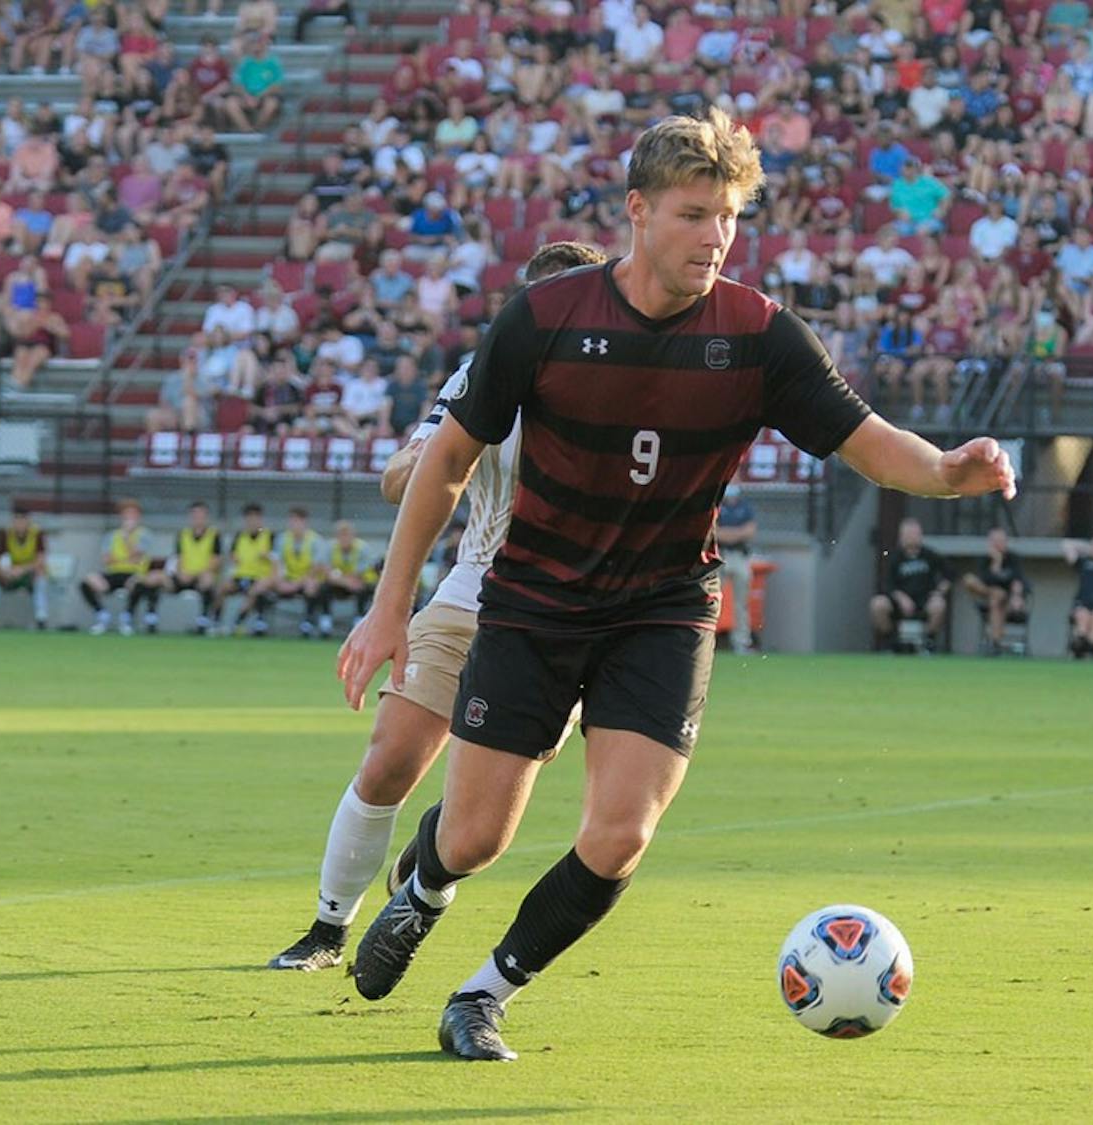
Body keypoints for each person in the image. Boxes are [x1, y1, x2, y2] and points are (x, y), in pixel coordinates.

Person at [335, 110, 1013, 1062]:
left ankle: (484, 994)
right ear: (638, 212)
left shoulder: (760, 335)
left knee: (620, 832)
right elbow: (447, 462)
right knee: (478, 833)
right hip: (532, 598)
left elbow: (869, 442)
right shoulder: (545, 317)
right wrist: (388, 607)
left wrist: (947, 470)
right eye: (695, 214)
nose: (716, 237)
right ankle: (426, 886)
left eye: (729, 217)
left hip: (663, 606)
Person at [267, 242, 607, 973]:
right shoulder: (484, 376)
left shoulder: (622, 385)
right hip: (469, 593)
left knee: (476, 831)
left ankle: (423, 867)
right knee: (390, 755)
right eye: (535, 302)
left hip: (560, 616)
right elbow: (399, 475)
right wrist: (435, 459)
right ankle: (327, 931)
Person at [135, 500, 221, 634]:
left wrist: (197, 573)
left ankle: (203, 620)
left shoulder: (214, 534)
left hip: (200, 577)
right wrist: (180, 572)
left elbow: (216, 561)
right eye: (195, 515)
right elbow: (177, 557)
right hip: (182, 575)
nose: (198, 518)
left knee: (208, 580)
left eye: (201, 515)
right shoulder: (183, 534)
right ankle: (151, 618)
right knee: (154, 578)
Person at [869, 517, 953, 652]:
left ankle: (928, 642)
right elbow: (887, 584)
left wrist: (939, 591)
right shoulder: (894, 557)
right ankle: (891, 642)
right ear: (901, 537)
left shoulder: (930, 555)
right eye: (907, 534)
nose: (911, 538)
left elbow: (950, 574)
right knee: (877, 604)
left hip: (924, 601)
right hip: (899, 603)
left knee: (939, 605)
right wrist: (901, 597)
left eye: (915, 534)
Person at [79, 499, 151, 635]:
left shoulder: (144, 534)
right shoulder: (111, 535)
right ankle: (102, 614)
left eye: (133, 515)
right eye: (127, 514)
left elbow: (137, 556)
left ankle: (127, 617)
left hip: (134, 573)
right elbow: (107, 560)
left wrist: (127, 539)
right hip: (114, 573)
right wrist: (127, 557)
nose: (130, 518)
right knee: (87, 582)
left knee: (139, 584)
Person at [212, 503, 276, 636]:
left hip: (259, 577)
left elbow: (277, 559)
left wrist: (267, 557)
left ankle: (238, 622)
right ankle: (216, 622)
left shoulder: (269, 536)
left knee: (254, 591)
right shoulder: (240, 536)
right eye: (249, 518)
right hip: (241, 575)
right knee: (221, 588)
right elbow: (232, 555)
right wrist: (233, 558)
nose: (252, 522)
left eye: (255, 518)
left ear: (260, 519)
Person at [259, 507, 325, 638]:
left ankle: (308, 621)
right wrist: (279, 579)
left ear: (304, 522)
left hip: (305, 579)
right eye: (291, 521)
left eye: (297, 521)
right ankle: (260, 621)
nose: (294, 524)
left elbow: (317, 567)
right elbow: (277, 562)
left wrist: (296, 583)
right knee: (263, 583)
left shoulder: (315, 540)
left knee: (311, 586)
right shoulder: (283, 538)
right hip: (287, 579)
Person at [962, 526, 1028, 654]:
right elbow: (986, 580)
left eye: (1001, 541)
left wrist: (1017, 597)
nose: (998, 544)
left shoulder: (1013, 558)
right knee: (969, 579)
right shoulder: (985, 559)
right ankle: (995, 643)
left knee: (997, 598)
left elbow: (1018, 580)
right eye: (995, 541)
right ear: (990, 542)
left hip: (1008, 599)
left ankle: (995, 643)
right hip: (987, 594)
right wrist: (996, 562)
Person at [0, 505, 48, 629]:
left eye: (22, 519)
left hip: (30, 573)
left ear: (28, 520)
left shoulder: (36, 533)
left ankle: (41, 619)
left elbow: (40, 561)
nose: (19, 523)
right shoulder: (7, 533)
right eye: (16, 519)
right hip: (12, 574)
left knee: (41, 577)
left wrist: (23, 569)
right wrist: (2, 571)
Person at [313, 520, 376, 638]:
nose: (344, 539)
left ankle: (359, 619)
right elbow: (325, 570)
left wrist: (341, 578)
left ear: (353, 536)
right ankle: (325, 620)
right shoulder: (330, 548)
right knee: (323, 588)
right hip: (339, 584)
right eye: (341, 535)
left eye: (347, 535)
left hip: (356, 582)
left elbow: (362, 571)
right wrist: (344, 581)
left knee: (365, 588)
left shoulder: (362, 549)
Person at [716, 483, 757, 654]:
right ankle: (707, 641)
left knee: (742, 602)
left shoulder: (745, 507)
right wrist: (736, 533)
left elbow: (750, 531)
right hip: (720, 556)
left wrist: (729, 534)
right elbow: (715, 532)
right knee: (711, 601)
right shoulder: (718, 505)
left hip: (740, 556)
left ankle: (741, 643)